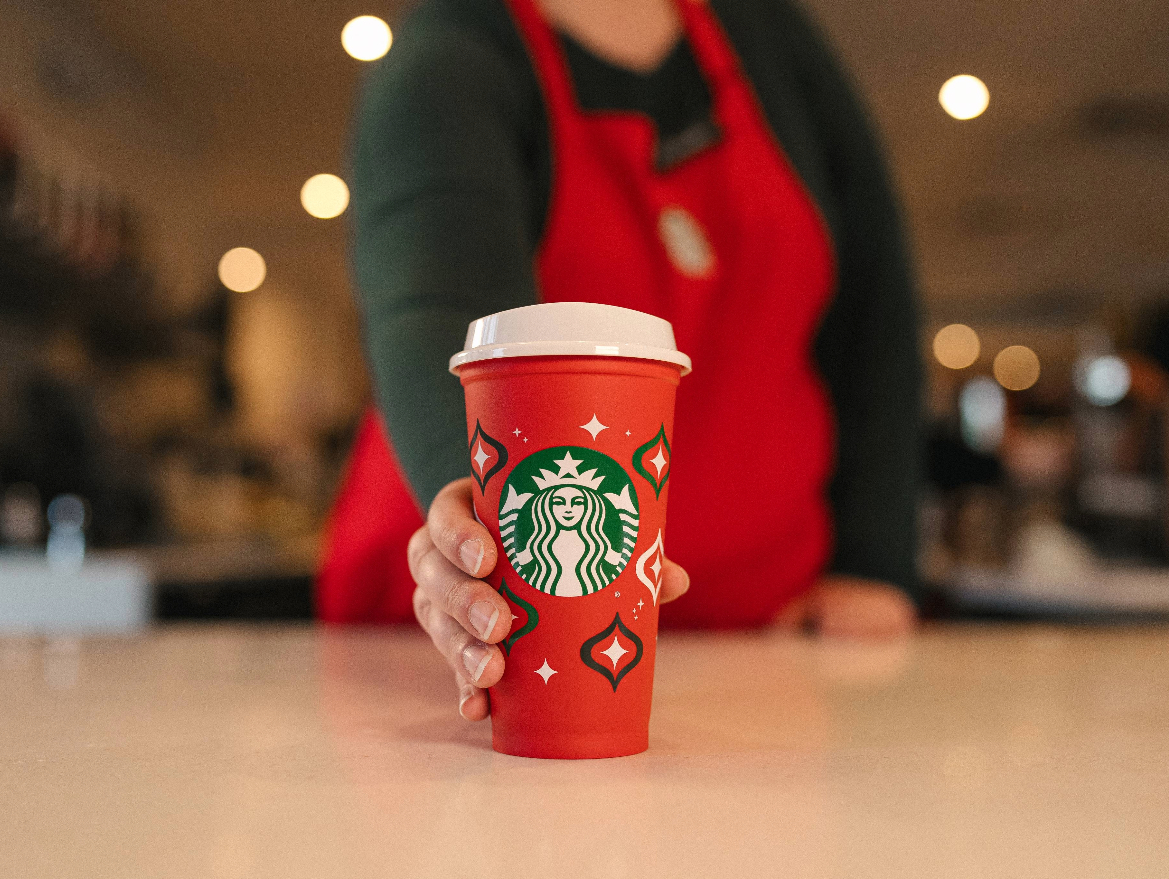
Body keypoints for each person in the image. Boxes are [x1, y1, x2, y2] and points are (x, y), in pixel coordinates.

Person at [319, 0, 924, 721]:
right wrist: (482, 547)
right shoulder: (450, 53)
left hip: (765, 641)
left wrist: (874, 558)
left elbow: (875, 316)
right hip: (477, 636)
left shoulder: (770, 35)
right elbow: (440, 314)